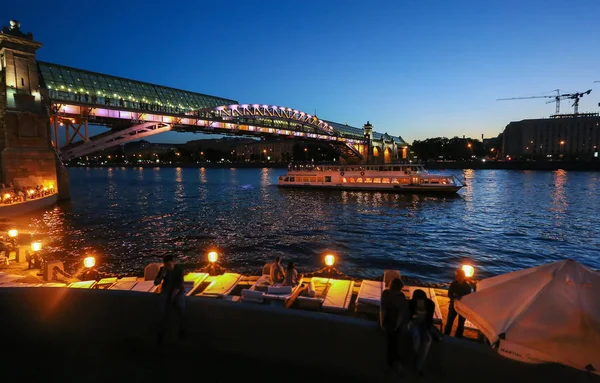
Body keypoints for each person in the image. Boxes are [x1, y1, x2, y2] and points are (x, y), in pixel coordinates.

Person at [154, 255, 186, 345]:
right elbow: (156, 283)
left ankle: (182, 328)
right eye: (166, 265)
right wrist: (162, 276)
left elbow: (179, 285)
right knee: (161, 311)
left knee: (181, 307)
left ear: (173, 263)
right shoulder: (163, 270)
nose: (168, 267)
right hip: (166, 290)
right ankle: (160, 333)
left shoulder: (179, 269)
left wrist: (171, 298)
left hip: (178, 291)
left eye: (169, 265)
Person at [380, 278, 409, 376]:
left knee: (391, 341)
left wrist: (381, 322)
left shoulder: (385, 293)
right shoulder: (401, 297)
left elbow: (382, 310)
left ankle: (390, 364)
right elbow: (401, 314)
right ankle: (397, 363)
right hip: (396, 322)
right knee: (395, 341)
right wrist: (397, 326)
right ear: (400, 287)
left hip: (388, 321)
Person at [408, 289, 435, 376]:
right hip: (414, 322)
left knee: (427, 340)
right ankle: (414, 359)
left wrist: (426, 330)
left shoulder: (430, 304)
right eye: (417, 301)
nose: (419, 303)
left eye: (421, 300)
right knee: (416, 338)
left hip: (425, 323)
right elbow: (409, 318)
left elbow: (429, 320)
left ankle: (419, 366)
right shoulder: (411, 304)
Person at [444, 268, 473, 338]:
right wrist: (454, 298)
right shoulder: (453, 284)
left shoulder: (468, 287)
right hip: (453, 306)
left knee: (461, 324)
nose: (455, 277)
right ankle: (446, 335)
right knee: (449, 322)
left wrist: (460, 298)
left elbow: (469, 299)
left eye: (457, 275)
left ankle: (458, 337)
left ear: (462, 276)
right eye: (456, 275)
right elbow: (449, 294)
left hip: (462, 308)